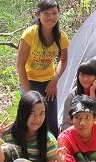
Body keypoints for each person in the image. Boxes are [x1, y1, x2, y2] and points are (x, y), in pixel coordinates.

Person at [0, 91, 66, 162]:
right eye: (32, 113)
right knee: (4, 150)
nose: (37, 119)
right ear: (23, 113)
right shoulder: (8, 135)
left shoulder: (49, 140)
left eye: (41, 114)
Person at [16, 0, 69, 136]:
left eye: (54, 13)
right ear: (38, 14)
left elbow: (63, 60)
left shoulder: (61, 37)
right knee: (29, 117)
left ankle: (52, 152)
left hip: (48, 82)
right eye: (46, 13)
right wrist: (27, 92)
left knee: (51, 120)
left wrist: (54, 81)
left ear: (58, 14)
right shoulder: (30, 34)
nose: (50, 17)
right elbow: (20, 65)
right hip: (30, 80)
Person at [60, 59, 96, 130]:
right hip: (76, 130)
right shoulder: (72, 95)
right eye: (82, 75)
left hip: (92, 129)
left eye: (89, 75)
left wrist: (92, 90)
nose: (85, 79)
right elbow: (65, 124)